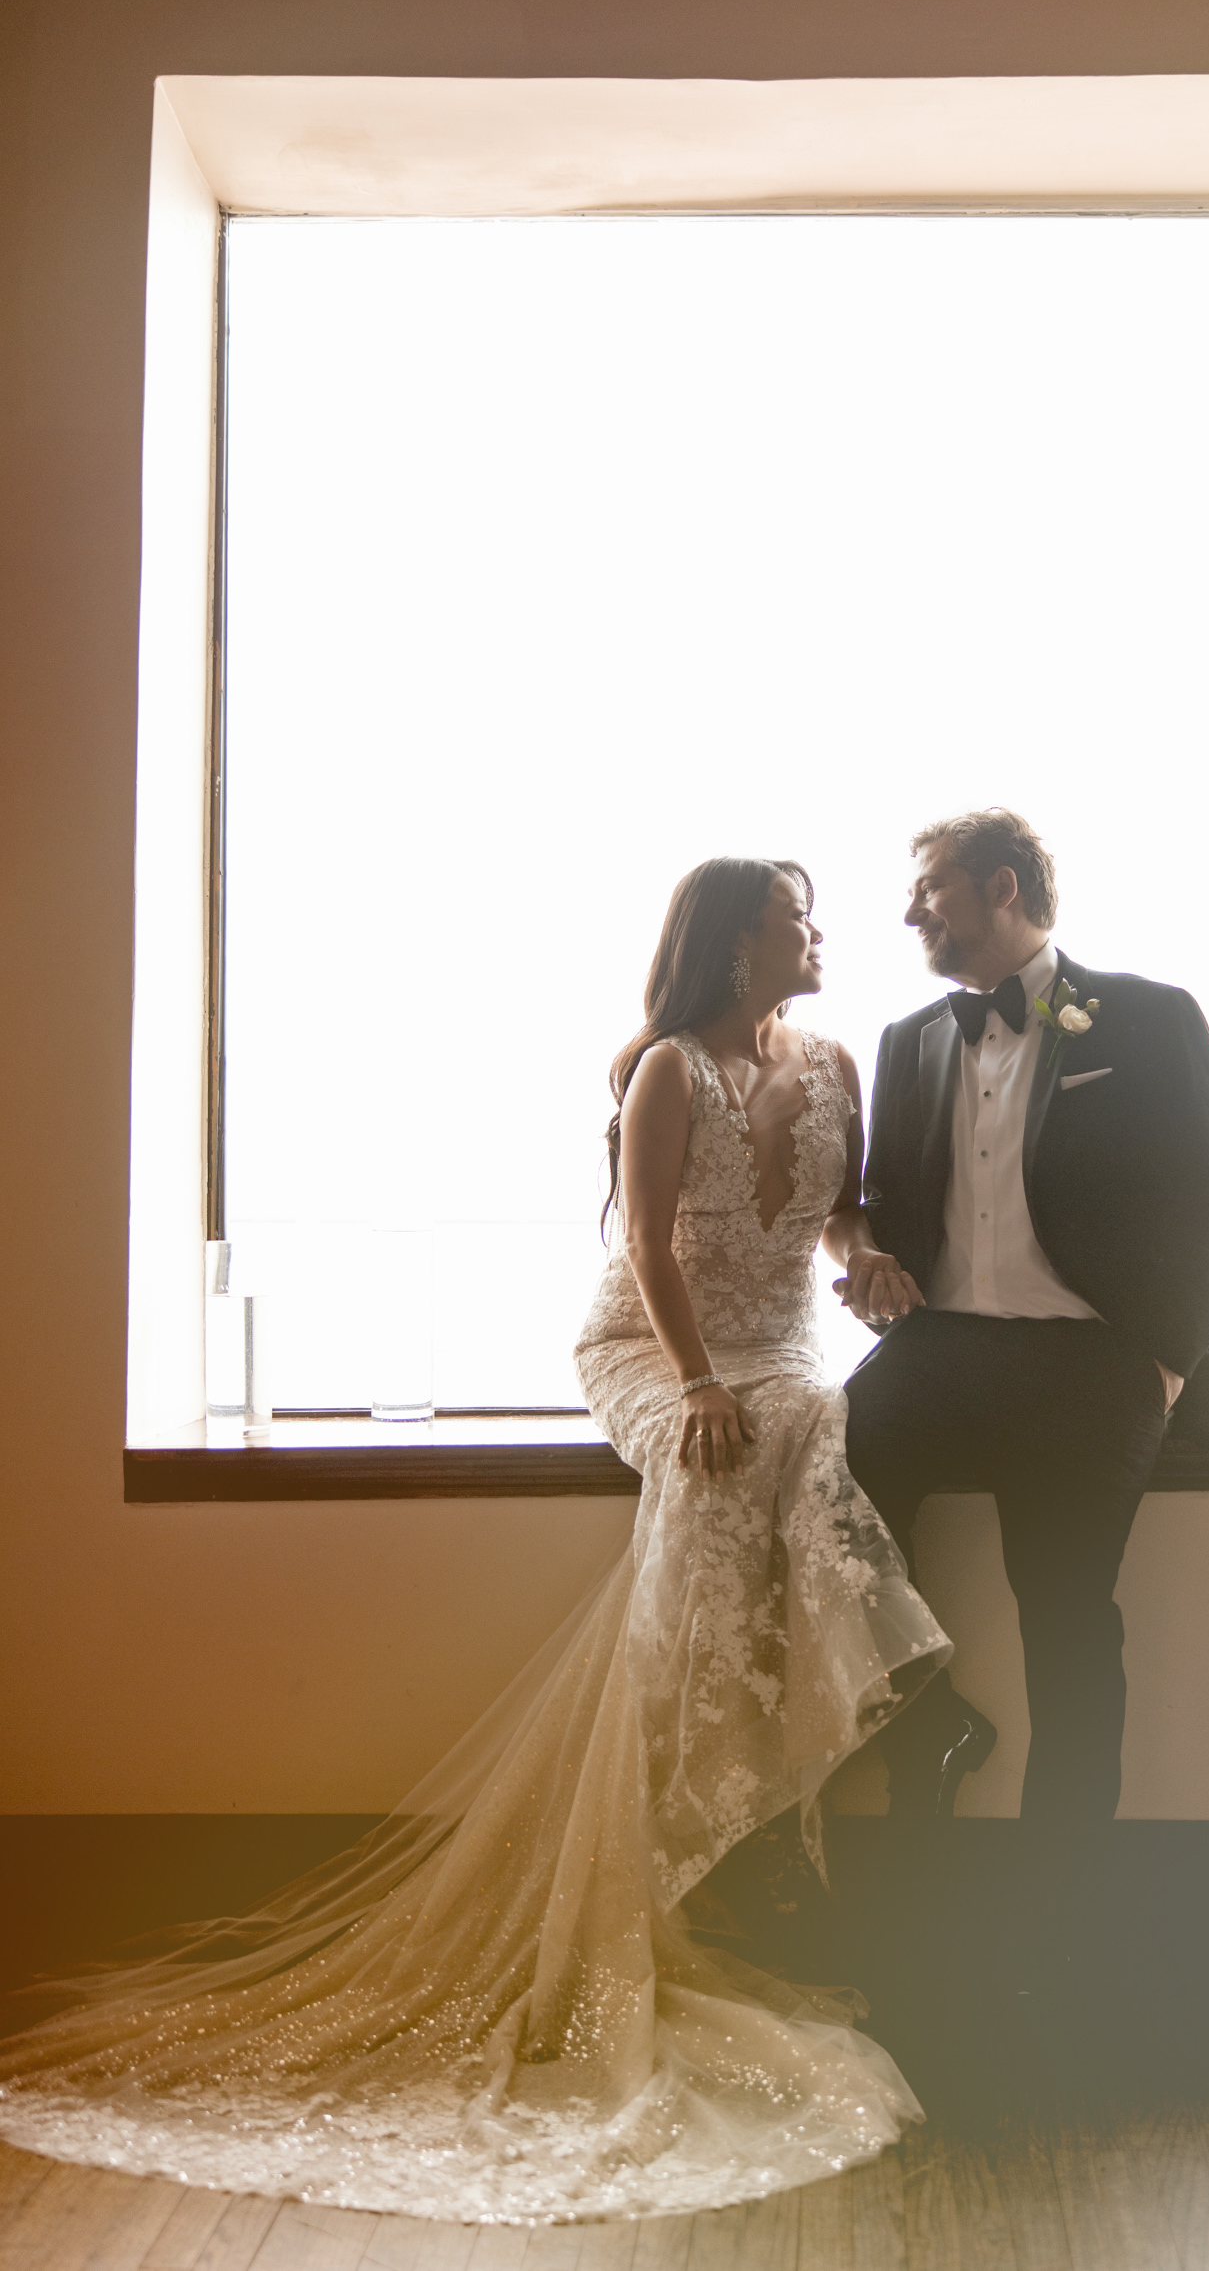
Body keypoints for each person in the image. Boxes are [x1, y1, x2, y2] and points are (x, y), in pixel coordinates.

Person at [0, 858, 949, 2225]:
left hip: (785, 1342)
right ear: (735, 944)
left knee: (810, 1426)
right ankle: (716, 1817)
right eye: (795, 918)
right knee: (713, 1476)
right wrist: (688, 1384)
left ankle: (788, 1793)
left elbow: (837, 1205)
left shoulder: (837, 1059)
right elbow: (649, 1244)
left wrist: (859, 1257)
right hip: (656, 1342)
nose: (819, 933)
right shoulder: (668, 1071)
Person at [840, 809, 1209, 1972]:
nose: (911, 909)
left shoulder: (1150, 1018)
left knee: (1066, 1616)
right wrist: (867, 1259)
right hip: (941, 1350)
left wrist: (1159, 1363)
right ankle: (931, 1733)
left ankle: (1065, 1906)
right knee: (826, 1499)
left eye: (928, 888)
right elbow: (884, 1201)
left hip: (1091, 1364)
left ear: (1000, 886)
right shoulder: (908, 1037)